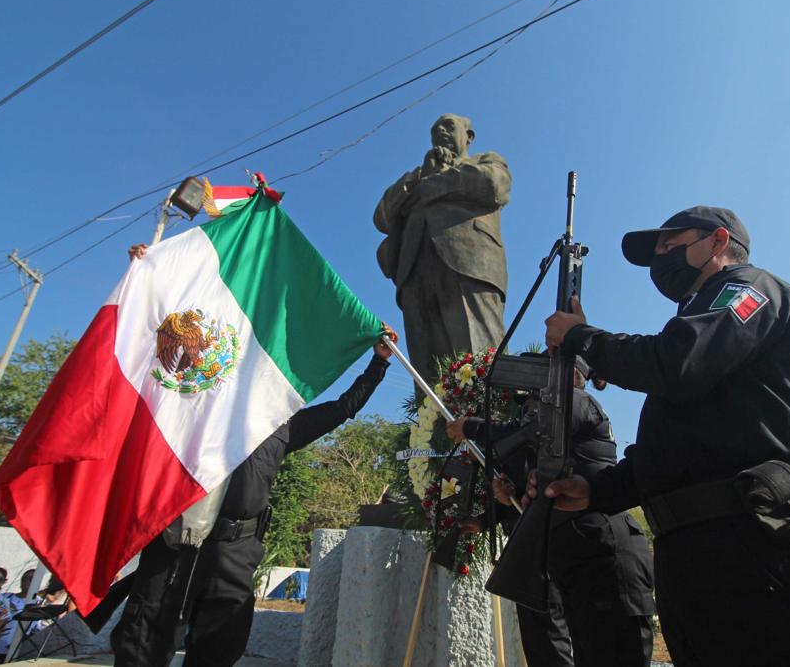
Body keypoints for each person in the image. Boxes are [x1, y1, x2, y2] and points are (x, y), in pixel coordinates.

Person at [538, 205, 790, 665]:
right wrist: (595, 489)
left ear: (718, 241)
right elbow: (680, 451)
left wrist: (584, 338)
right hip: (694, 559)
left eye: (669, 245)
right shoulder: (694, 324)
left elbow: (677, 363)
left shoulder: (750, 290)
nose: (660, 260)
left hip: (757, 547)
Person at [106, 247, 398, 667]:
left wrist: (378, 363)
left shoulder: (282, 428)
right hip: (174, 538)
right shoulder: (195, 402)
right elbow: (152, 354)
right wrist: (153, 271)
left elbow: (344, 407)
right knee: (144, 635)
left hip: (235, 547)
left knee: (220, 644)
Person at [448, 356, 654, 666]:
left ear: (570, 375)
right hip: (579, 559)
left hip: (605, 557)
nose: (534, 398)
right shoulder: (553, 442)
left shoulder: (577, 402)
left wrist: (471, 427)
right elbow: (543, 487)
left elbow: (533, 428)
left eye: (544, 377)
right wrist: (510, 498)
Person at [373, 113, 511, 386]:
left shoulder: (485, 162)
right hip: (413, 271)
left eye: (449, 126)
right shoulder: (414, 178)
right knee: (427, 369)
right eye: (435, 129)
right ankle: (431, 426)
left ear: (468, 136)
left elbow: (495, 186)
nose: (440, 133)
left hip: (469, 265)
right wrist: (418, 180)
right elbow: (382, 217)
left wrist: (435, 181)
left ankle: (489, 421)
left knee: (478, 356)